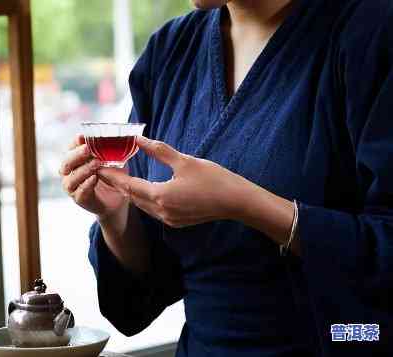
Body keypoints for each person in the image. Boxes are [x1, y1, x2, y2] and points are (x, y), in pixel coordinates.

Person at [60, 0, 393, 356]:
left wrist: (244, 203)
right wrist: (114, 216)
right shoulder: (171, 49)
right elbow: (141, 294)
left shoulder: (373, 29)